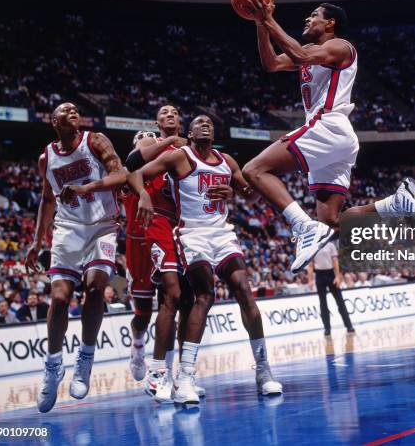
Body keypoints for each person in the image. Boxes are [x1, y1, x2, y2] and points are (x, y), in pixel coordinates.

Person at [241, 0, 415, 271]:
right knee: (330, 222)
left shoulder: (340, 46)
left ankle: (302, 227)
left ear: (330, 23)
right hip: (336, 138)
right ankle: (396, 203)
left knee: (254, 170)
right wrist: (259, 24)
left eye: (314, 14)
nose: (307, 17)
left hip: (327, 126)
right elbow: (272, 64)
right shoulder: (309, 52)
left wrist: (268, 18)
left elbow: (300, 54)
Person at [128, 115, 282, 404]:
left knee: (244, 292)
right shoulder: (179, 156)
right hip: (192, 234)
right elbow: (135, 173)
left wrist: (235, 193)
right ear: (190, 132)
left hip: (222, 234)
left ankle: (264, 371)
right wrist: (144, 198)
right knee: (204, 296)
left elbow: (252, 197)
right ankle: (184, 377)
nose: (206, 125)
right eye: (199, 123)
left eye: (210, 122)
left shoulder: (227, 161)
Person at [25, 102, 126, 413]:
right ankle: (53, 366)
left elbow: (121, 174)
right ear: (54, 121)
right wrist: (36, 240)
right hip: (68, 229)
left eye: (75, 109)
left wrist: (87, 188)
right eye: (65, 110)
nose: (73, 111)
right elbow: (46, 199)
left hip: (103, 225)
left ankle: (85, 356)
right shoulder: (47, 158)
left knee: (96, 287)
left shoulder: (95, 141)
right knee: (58, 297)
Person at [122, 108, 202, 403]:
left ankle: (174, 374)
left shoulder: (175, 161)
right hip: (138, 241)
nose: (146, 143)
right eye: (142, 141)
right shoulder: (132, 172)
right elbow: (130, 165)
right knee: (143, 312)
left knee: (178, 298)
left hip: (170, 231)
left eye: (149, 140)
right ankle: (139, 344)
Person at [307, 241, 354, 336]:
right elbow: (310, 264)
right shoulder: (312, 246)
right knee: (323, 303)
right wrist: (310, 279)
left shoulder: (330, 245)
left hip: (331, 274)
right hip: (319, 275)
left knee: (340, 301)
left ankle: (349, 326)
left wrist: (337, 276)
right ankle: (327, 328)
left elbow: (335, 261)